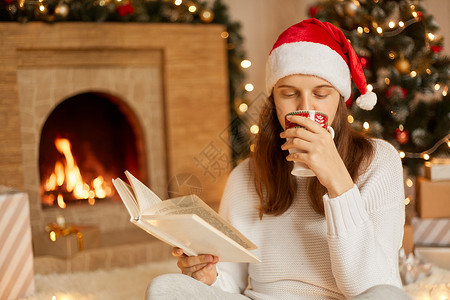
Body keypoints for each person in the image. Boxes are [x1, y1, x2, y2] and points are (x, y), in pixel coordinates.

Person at [147, 18, 410, 300]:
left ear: (339, 100)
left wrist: (338, 184)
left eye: (321, 94)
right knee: (165, 288)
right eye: (289, 94)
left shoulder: (379, 161)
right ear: (274, 101)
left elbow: (370, 286)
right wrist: (208, 277)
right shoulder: (247, 175)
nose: (305, 108)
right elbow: (230, 284)